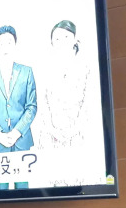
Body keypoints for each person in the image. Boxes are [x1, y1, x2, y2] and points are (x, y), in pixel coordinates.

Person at [0, 25, 37, 153]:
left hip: (22, 140)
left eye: (9, 43)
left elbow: (32, 106)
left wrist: (17, 132)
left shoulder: (27, 72)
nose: (5, 47)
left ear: (15, 45)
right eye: (1, 43)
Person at [37, 20, 89, 148]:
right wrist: (52, 129)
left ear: (75, 39)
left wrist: (73, 131)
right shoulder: (46, 70)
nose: (62, 41)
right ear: (52, 43)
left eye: (66, 37)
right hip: (50, 137)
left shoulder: (85, 68)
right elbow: (42, 103)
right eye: (57, 39)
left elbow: (88, 104)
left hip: (78, 136)